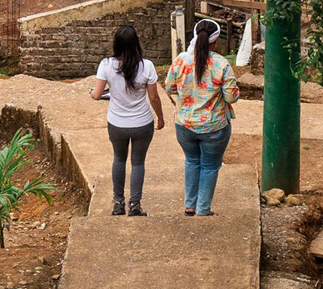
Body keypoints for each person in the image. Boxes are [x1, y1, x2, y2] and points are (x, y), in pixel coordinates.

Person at [163, 16, 240, 216]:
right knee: (210, 166)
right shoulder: (222, 64)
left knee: (191, 161)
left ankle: (190, 205)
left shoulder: (181, 59)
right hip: (214, 127)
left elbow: (169, 86)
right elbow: (231, 97)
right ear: (215, 41)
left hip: (185, 125)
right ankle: (203, 209)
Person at [90, 24, 163, 217]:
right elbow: (154, 98)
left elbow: (97, 95)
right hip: (142, 123)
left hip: (117, 123)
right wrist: (161, 118)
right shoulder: (146, 66)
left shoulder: (106, 65)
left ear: (116, 44)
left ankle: (118, 204)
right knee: (138, 163)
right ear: (136, 43)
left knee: (119, 159)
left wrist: (93, 93)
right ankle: (135, 206)